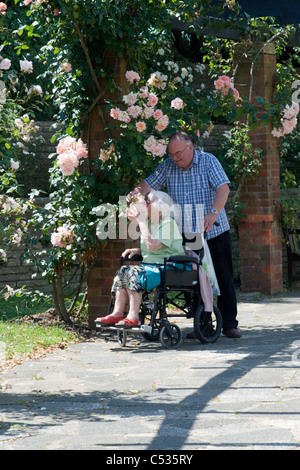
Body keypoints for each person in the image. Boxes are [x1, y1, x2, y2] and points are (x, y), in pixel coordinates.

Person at [127, 131, 241, 338]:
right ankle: (203, 324)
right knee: (194, 278)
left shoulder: (208, 161)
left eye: (178, 153)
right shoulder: (168, 167)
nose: (174, 158)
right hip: (185, 233)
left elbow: (223, 189)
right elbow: (146, 185)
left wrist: (213, 212)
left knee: (223, 277)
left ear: (191, 147)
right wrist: (135, 196)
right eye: (171, 154)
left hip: (213, 229)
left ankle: (230, 324)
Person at [97, 190, 185, 328]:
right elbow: (154, 248)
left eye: (148, 201)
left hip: (170, 268)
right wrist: (137, 250)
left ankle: (133, 316)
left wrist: (142, 222)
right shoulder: (151, 223)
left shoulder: (168, 223)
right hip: (152, 267)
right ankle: (117, 313)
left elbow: (153, 245)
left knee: (134, 274)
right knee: (123, 271)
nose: (144, 204)